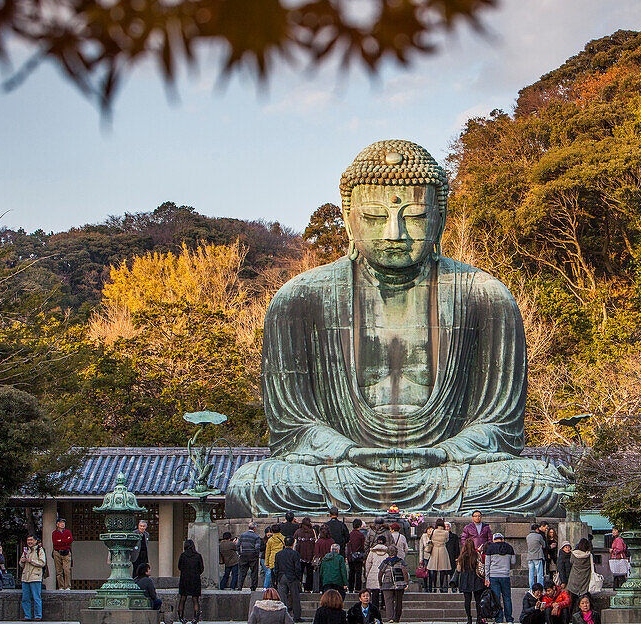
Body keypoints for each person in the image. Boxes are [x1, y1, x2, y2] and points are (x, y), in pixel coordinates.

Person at [223, 141, 565, 517]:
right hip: (345, 468)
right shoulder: (301, 298)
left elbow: (499, 424)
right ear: (348, 218)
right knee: (255, 483)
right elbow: (293, 427)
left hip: (446, 468)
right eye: (373, 216)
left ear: (441, 219)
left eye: (415, 216)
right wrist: (348, 451)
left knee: (543, 484)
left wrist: (447, 451)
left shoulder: (484, 295)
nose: (394, 232)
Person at [483, 532, 514, 623]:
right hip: (505, 575)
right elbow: (513, 561)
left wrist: (487, 578)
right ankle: (509, 619)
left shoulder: (490, 548)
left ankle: (499, 619)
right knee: (507, 598)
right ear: (502, 539)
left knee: (496, 598)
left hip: (494, 576)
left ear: (493, 540)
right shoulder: (509, 547)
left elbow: (487, 564)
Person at [275, 537, 305, 622]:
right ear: (293, 544)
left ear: (284, 544)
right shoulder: (295, 554)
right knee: (295, 597)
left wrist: (277, 576)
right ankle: (296, 617)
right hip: (292, 577)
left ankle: (283, 617)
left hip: (281, 576)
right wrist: (298, 577)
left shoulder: (278, 554)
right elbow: (297, 567)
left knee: (282, 598)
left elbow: (276, 567)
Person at [377, 545, 409, 624]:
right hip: (399, 584)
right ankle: (396, 618)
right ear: (396, 552)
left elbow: (380, 574)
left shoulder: (385, 562)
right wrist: (406, 582)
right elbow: (405, 572)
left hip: (387, 584)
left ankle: (390, 618)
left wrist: (380, 583)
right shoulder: (401, 561)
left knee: (388, 601)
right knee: (398, 602)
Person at [456, 539, 485, 624]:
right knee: (478, 600)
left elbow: (458, 569)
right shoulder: (476, 554)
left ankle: (469, 618)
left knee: (467, 600)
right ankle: (479, 618)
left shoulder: (462, 556)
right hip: (476, 578)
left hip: (465, 579)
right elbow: (480, 564)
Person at [19, 534, 45, 622]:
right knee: (25, 598)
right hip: (25, 577)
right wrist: (22, 561)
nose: (29, 542)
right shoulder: (26, 551)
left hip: (35, 577)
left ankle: (38, 615)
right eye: (28, 540)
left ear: (35, 541)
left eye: (31, 540)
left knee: (36, 597)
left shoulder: (39, 550)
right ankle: (27, 615)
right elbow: (21, 564)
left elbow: (42, 563)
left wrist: (31, 561)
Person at [177, 539, 204, 624]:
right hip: (195, 579)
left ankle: (181, 618)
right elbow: (201, 568)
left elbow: (179, 567)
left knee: (183, 598)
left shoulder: (183, 555)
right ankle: (195, 618)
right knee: (195, 599)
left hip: (184, 579)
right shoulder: (198, 556)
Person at [364, 537, 390, 610]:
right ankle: (383, 605)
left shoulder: (372, 551)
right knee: (384, 591)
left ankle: (375, 606)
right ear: (385, 542)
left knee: (375, 591)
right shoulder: (387, 552)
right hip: (384, 572)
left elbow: (368, 563)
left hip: (373, 572)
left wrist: (367, 573)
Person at [565, 539, 594, 605]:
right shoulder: (589, 555)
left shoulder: (574, 554)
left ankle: (571, 614)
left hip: (574, 579)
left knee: (572, 602)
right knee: (585, 601)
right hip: (585, 580)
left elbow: (571, 562)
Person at [427, 519, 451, 593]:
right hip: (442, 550)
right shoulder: (446, 532)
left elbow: (430, 539)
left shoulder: (433, 531)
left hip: (435, 550)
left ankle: (434, 586)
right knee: (442, 570)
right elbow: (447, 540)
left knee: (434, 570)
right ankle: (441, 586)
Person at [238, 522, 264, 591]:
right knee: (254, 572)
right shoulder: (256, 536)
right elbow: (257, 547)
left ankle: (239, 586)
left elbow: (238, 545)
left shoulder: (242, 535)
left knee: (242, 572)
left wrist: (240, 553)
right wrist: (257, 555)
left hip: (244, 555)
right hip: (253, 555)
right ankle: (253, 587)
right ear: (254, 528)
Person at [51, 518, 73, 590]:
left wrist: (61, 540)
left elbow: (70, 540)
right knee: (58, 570)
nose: (62, 524)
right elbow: (55, 542)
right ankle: (61, 586)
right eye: (61, 523)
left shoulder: (67, 532)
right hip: (57, 552)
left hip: (66, 552)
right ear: (57, 524)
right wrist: (65, 541)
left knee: (67, 570)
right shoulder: (54, 533)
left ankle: (68, 586)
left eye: (63, 523)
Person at [296, 518, 318, 590]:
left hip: (300, 556)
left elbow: (294, 544)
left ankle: (298, 587)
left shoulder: (298, 532)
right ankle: (308, 589)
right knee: (309, 573)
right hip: (310, 556)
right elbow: (316, 543)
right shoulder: (313, 532)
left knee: (299, 572)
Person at [347, 520, 366, 593]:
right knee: (358, 572)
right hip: (358, 556)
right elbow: (363, 546)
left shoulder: (350, 534)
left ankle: (351, 587)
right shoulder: (361, 535)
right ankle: (358, 588)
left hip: (351, 556)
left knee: (351, 572)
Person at [526, 524, 547, 590]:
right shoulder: (539, 536)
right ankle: (540, 588)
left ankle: (531, 588)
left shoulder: (528, 536)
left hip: (530, 556)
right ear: (536, 529)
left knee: (531, 574)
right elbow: (544, 545)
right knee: (539, 574)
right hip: (537, 556)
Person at [265, 525, 286, 591]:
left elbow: (267, 552)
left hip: (273, 559)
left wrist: (267, 562)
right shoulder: (283, 538)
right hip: (282, 559)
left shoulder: (270, 540)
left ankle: (274, 588)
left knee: (273, 576)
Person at [314, 526, 335, 591]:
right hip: (331, 563)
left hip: (321, 563)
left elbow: (316, 553)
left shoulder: (319, 542)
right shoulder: (332, 541)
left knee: (321, 577)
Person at [446, 524, 461, 592]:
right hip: (444, 556)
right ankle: (444, 587)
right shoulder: (441, 536)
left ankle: (454, 586)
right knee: (444, 573)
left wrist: (457, 556)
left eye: (448, 527)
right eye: (445, 527)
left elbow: (457, 547)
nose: (447, 528)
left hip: (452, 556)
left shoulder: (454, 536)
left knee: (453, 572)